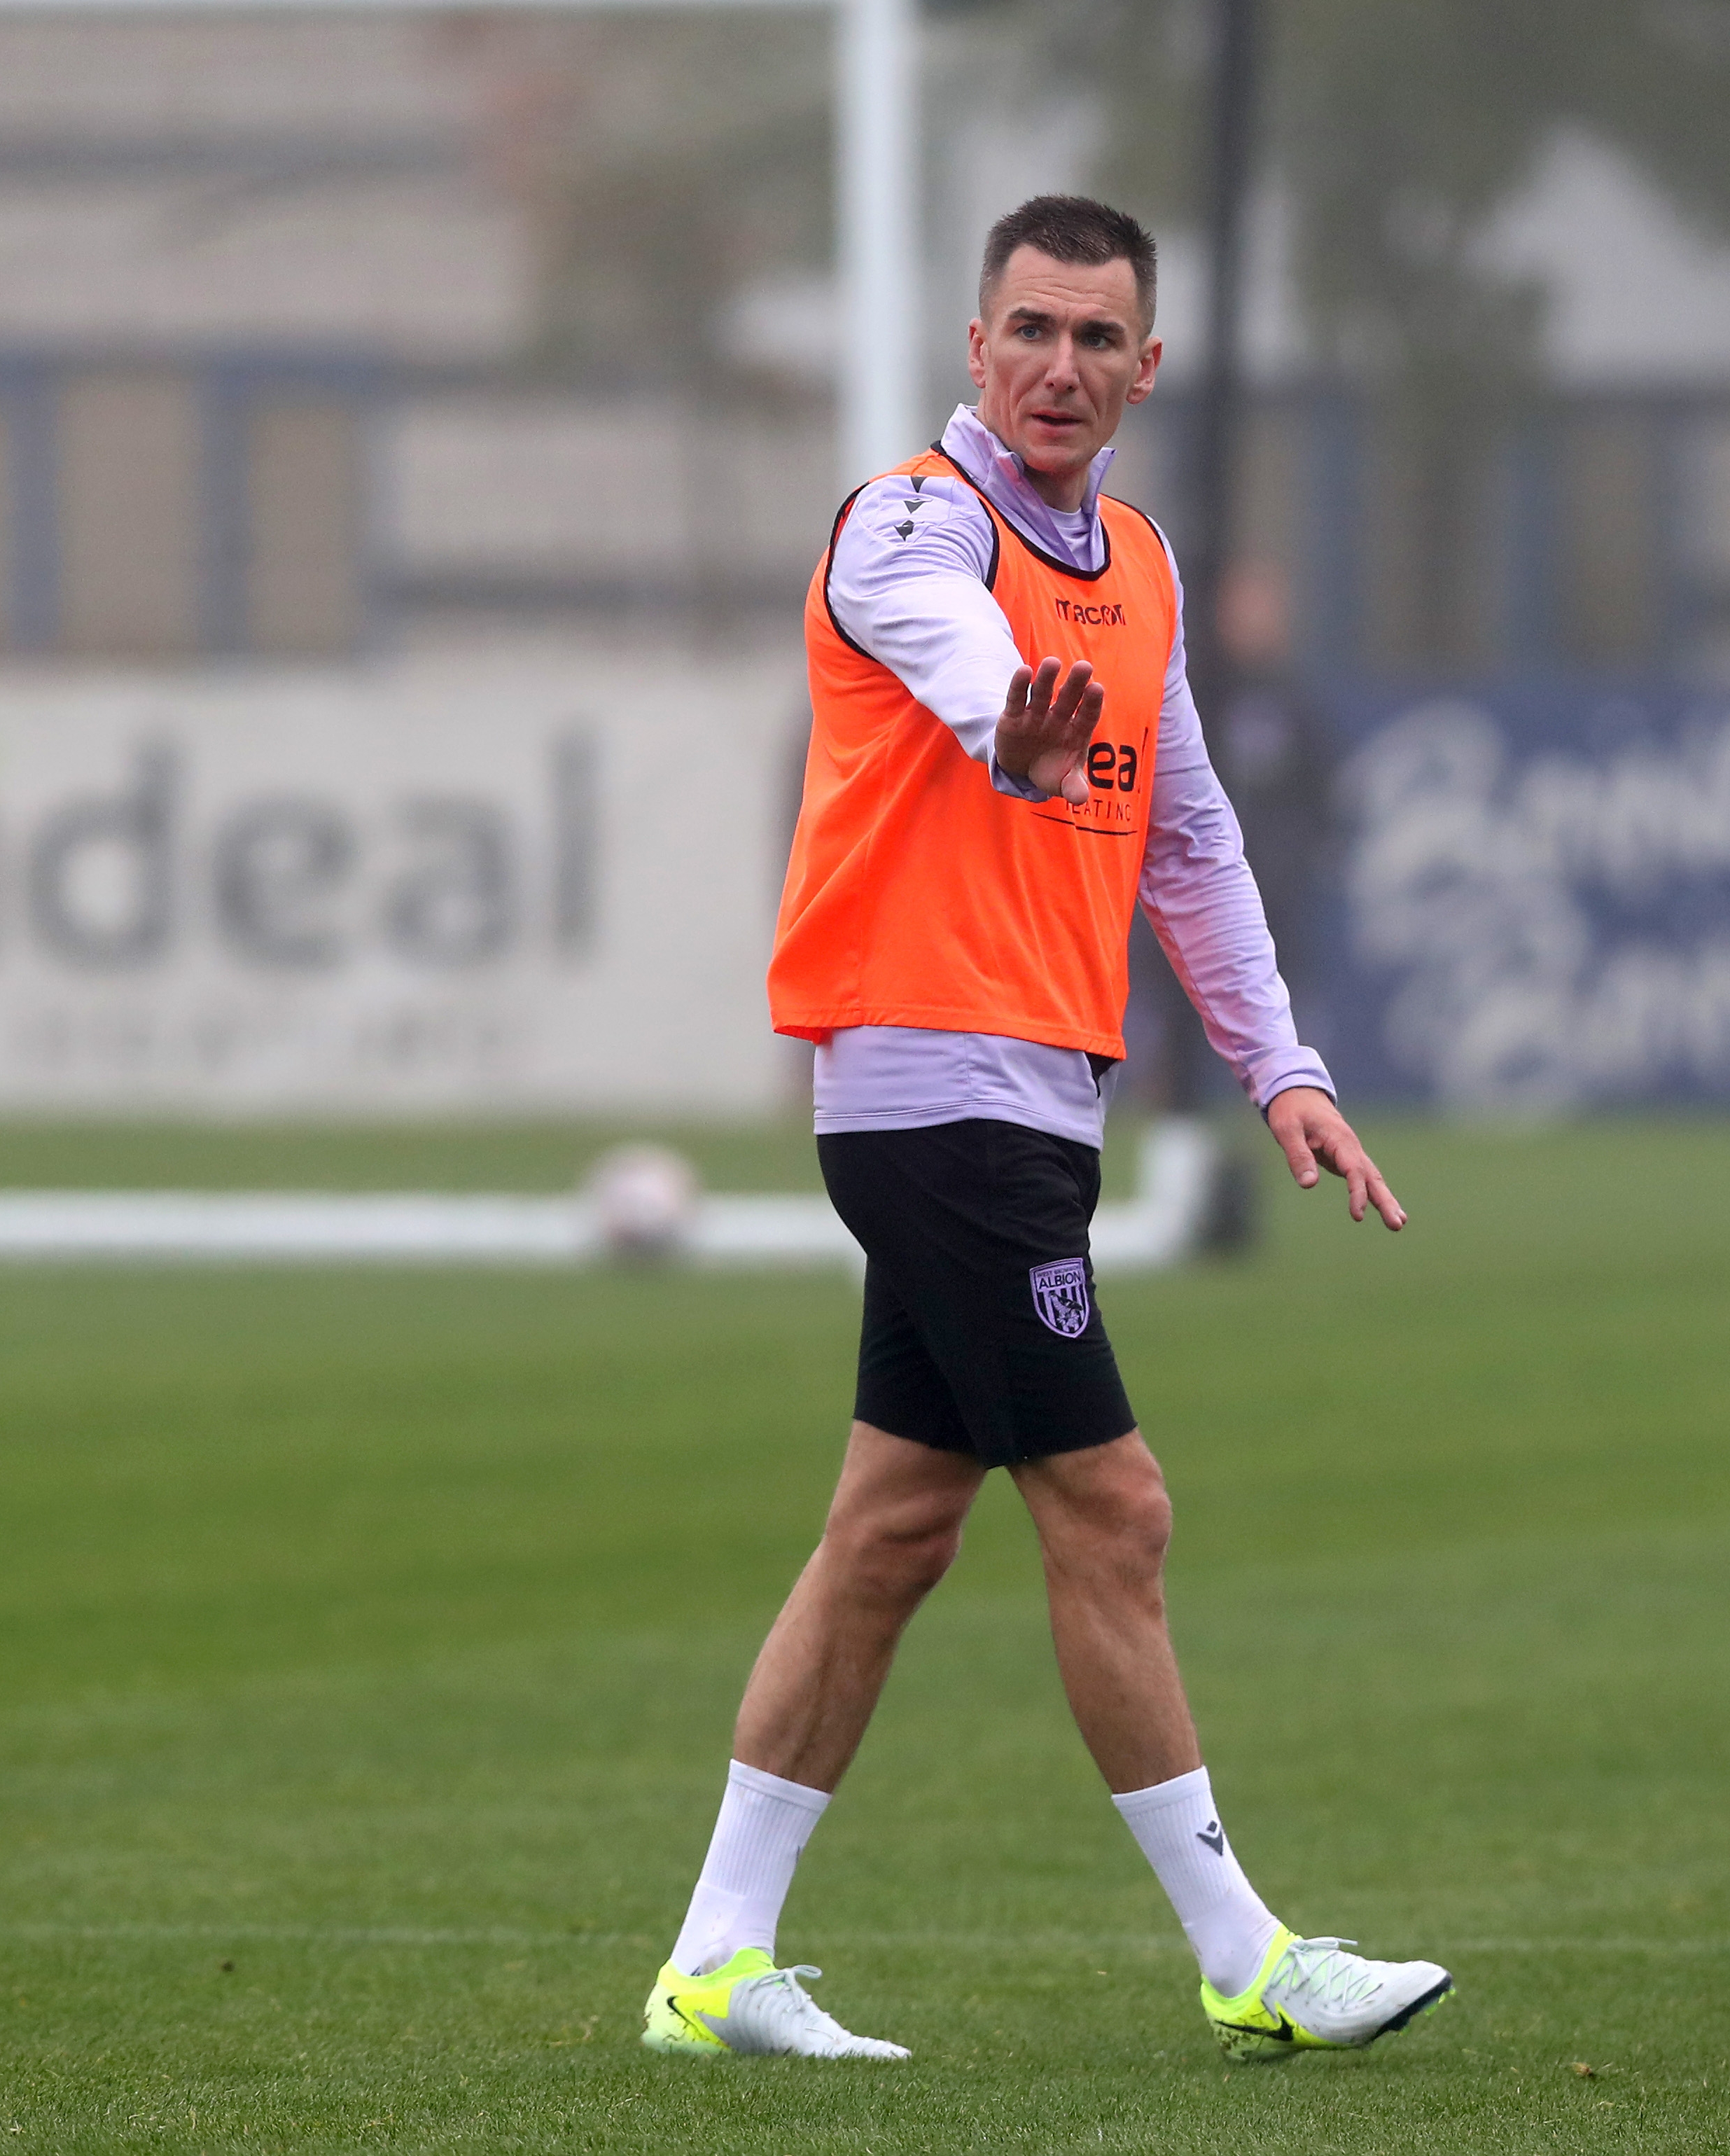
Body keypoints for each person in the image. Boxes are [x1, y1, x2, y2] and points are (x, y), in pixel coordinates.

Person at [638, 195, 1447, 2067]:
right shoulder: (911, 519)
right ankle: (1247, 1953)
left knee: (895, 1530)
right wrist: (1010, 710)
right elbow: (943, 646)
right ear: (974, 349)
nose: (1060, 366)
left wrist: (1282, 1066)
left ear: (1143, 368)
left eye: (1098, 338)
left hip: (1028, 1099)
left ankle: (712, 1967)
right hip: (932, 1096)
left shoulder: (1147, 566)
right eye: (1030, 331)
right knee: (1115, 1505)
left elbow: (1187, 837)